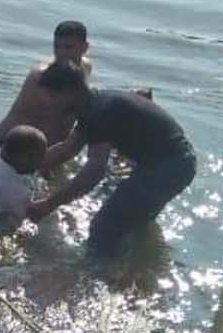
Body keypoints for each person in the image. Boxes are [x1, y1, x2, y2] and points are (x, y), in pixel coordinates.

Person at [26, 61, 196, 255]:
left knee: (102, 229)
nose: (49, 102)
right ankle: (137, 270)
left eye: (53, 95)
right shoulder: (94, 104)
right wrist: (19, 166)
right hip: (174, 163)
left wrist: (48, 204)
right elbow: (67, 149)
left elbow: (94, 172)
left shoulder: (100, 112)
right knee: (134, 225)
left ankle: (100, 278)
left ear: (70, 91)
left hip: (167, 167)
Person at [0, 19, 93, 149]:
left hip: (45, 147)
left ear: (84, 47)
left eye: (68, 47)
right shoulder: (41, 77)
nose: (61, 53)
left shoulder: (85, 67)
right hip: (12, 144)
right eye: (57, 46)